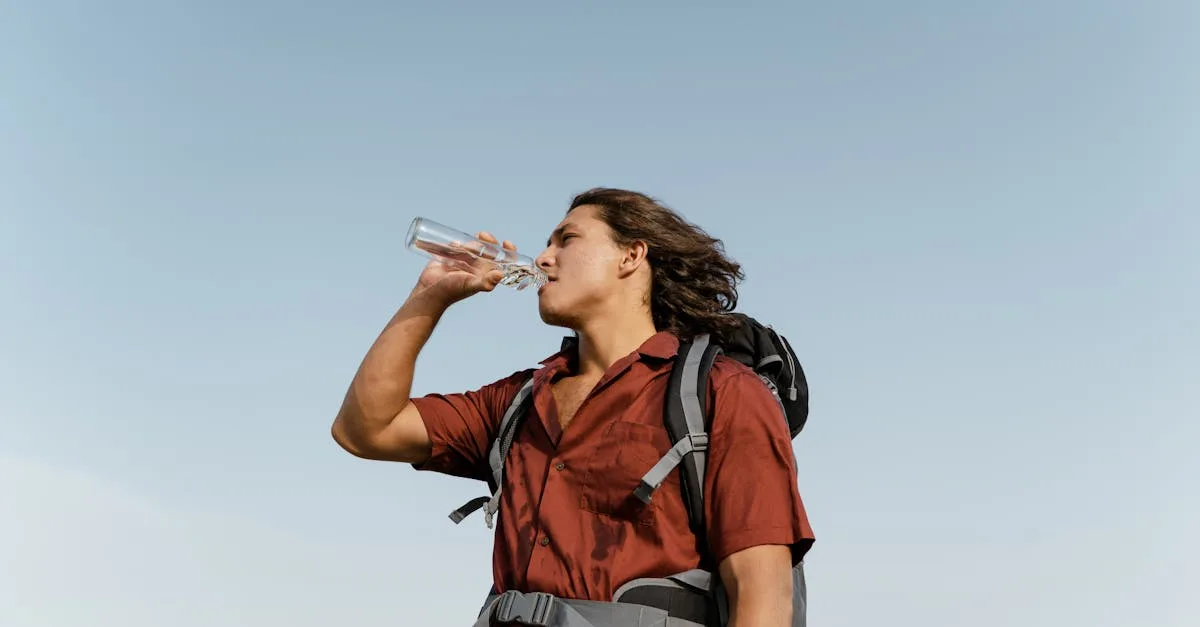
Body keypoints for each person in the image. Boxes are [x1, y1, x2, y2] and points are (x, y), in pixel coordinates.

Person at [331, 188, 815, 626]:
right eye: (548, 244)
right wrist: (430, 296)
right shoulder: (518, 400)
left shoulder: (722, 392)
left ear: (631, 255)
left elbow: (763, 598)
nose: (544, 257)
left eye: (567, 239)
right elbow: (365, 429)